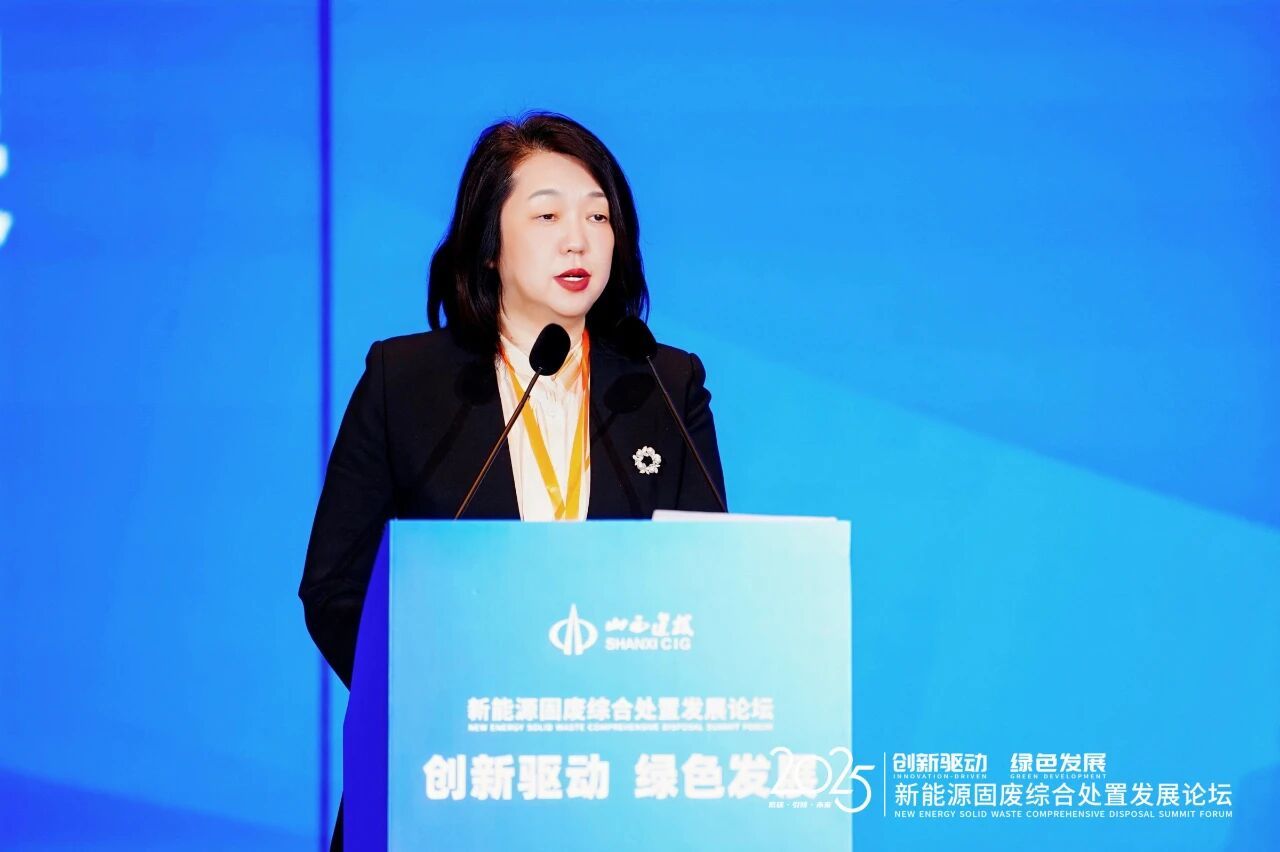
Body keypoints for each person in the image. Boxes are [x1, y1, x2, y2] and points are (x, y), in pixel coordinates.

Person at [298, 111, 727, 850]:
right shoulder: (407, 381)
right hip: (442, 782)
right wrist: (437, 700)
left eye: (599, 216)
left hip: (615, 792)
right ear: (489, 244)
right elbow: (335, 587)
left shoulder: (663, 384)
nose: (578, 239)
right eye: (548, 215)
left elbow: (710, 587)